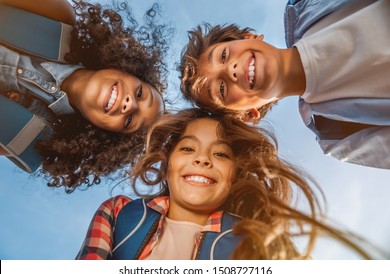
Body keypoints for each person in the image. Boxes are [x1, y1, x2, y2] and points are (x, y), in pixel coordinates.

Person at [76, 108, 372, 260]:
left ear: (235, 174)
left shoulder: (259, 240)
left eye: (220, 154)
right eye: (188, 149)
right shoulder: (118, 213)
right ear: (168, 164)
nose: (203, 160)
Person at [178, 0, 390, 169]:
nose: (230, 70)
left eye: (223, 55)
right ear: (248, 114)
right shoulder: (337, 136)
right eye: (221, 89)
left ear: (248, 37)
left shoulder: (309, 4)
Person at [0, 0, 172, 192]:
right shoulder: (59, 20)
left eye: (130, 120)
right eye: (140, 93)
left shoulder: (33, 140)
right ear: (128, 69)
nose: (130, 104)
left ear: (107, 134)